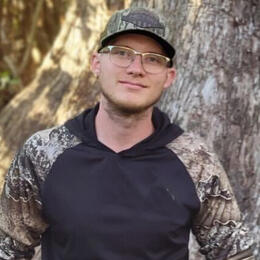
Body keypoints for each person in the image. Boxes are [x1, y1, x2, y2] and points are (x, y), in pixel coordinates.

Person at [0, 7, 255, 260]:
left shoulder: (194, 160)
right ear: (96, 63)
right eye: (122, 53)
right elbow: (7, 249)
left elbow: (234, 252)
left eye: (153, 58)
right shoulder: (45, 152)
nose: (136, 68)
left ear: (169, 77)